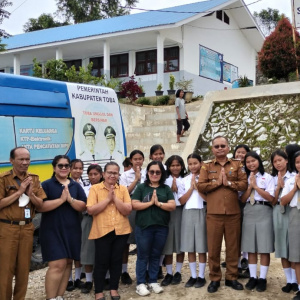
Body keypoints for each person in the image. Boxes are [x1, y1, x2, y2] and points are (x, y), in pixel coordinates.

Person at [198, 135, 247, 293]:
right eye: (216, 146)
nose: (220, 148)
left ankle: (232, 277)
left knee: (233, 248)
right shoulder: (206, 166)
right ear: (212, 149)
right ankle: (214, 278)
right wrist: (217, 183)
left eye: (222, 146)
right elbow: (201, 186)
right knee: (213, 248)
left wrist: (229, 183)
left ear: (228, 148)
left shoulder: (237, 164)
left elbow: (244, 184)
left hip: (233, 213)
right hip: (214, 214)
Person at [0, 147, 46, 300]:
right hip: (7, 228)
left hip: (27, 228)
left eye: (27, 159)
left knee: (23, 270)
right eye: (21, 159)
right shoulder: (3, 179)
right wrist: (19, 192)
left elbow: (40, 205)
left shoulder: (34, 178)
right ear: (11, 160)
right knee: (5, 270)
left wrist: (30, 194)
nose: (25, 163)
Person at [39, 155, 87, 300]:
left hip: (71, 230)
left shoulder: (75, 186)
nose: (64, 168)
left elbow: (83, 206)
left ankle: (59, 296)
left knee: (67, 263)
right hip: (52, 230)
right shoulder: (46, 185)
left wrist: (70, 200)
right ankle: (51, 297)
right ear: (54, 168)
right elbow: (41, 206)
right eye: (60, 166)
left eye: (67, 165)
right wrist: (61, 200)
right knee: (57, 264)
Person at [87, 162, 132, 300]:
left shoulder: (123, 189)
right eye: (110, 172)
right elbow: (91, 210)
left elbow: (127, 210)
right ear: (104, 174)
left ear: (119, 175)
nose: (112, 175)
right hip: (102, 230)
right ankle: (99, 291)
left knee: (116, 261)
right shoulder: (95, 189)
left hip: (121, 230)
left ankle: (114, 289)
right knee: (101, 261)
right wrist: (107, 199)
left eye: (115, 173)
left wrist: (115, 199)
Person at [132, 161, 176, 296]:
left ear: (161, 173)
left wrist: (159, 203)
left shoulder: (165, 188)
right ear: (148, 173)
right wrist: (151, 203)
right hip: (144, 227)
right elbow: (134, 204)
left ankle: (152, 281)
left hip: (161, 227)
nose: (155, 174)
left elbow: (172, 205)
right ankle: (140, 283)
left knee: (156, 255)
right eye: (152, 172)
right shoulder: (141, 188)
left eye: (158, 172)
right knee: (143, 255)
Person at [241, 151, 275, 292]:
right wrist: (250, 187)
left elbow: (271, 198)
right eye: (248, 162)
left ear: (259, 161)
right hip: (249, 211)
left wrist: (256, 187)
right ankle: (253, 277)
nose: (251, 164)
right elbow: (242, 199)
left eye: (253, 161)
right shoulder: (244, 178)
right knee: (251, 246)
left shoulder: (267, 177)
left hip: (264, 211)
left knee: (264, 247)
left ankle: (263, 278)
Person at [178, 153, 207, 288]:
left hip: (202, 211)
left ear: (201, 163)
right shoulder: (184, 180)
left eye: (195, 163)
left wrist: (198, 188)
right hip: (188, 212)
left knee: (201, 246)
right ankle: (193, 276)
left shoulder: (206, 177)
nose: (193, 166)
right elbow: (182, 200)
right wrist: (191, 187)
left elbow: (208, 199)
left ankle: (201, 275)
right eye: (190, 164)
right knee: (190, 246)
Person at [271, 149, 297, 293]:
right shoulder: (272, 178)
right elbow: (272, 202)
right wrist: (278, 188)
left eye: (280, 160)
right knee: (282, 246)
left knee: (292, 246)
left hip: (291, 212)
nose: (278, 164)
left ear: (287, 160)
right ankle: (289, 280)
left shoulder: (294, 176)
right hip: (278, 213)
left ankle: (295, 279)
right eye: (275, 161)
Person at [119, 150, 146, 285]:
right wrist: (136, 179)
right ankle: (124, 271)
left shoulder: (148, 172)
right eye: (135, 159)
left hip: (144, 207)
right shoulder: (124, 175)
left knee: (143, 241)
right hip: (129, 207)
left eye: (140, 159)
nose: (138, 161)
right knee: (126, 242)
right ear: (131, 160)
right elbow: (124, 192)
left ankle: (143, 270)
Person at [161, 155, 187, 286]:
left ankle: (178, 271)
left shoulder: (186, 179)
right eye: (172, 165)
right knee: (168, 243)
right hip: (167, 213)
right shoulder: (164, 180)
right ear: (168, 167)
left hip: (181, 211)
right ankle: (169, 273)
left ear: (182, 166)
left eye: (178, 165)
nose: (175, 168)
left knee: (180, 242)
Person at [80, 164, 103, 294]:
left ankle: (105, 278)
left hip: (103, 220)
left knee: (104, 250)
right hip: (89, 219)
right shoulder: (84, 188)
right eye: (90, 174)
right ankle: (89, 280)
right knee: (88, 250)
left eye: (96, 174)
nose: (93, 177)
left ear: (101, 174)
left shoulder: (106, 188)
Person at [281, 150, 300, 300]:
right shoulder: (290, 180)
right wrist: (295, 188)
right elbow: (283, 201)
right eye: (298, 162)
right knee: (297, 255)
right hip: (295, 215)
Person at [67, 159, 86, 292]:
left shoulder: (85, 183)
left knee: (79, 249)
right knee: (68, 250)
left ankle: (78, 277)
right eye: (75, 168)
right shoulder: (66, 184)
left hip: (81, 219)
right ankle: (68, 279)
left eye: (80, 168)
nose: (78, 171)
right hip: (68, 220)